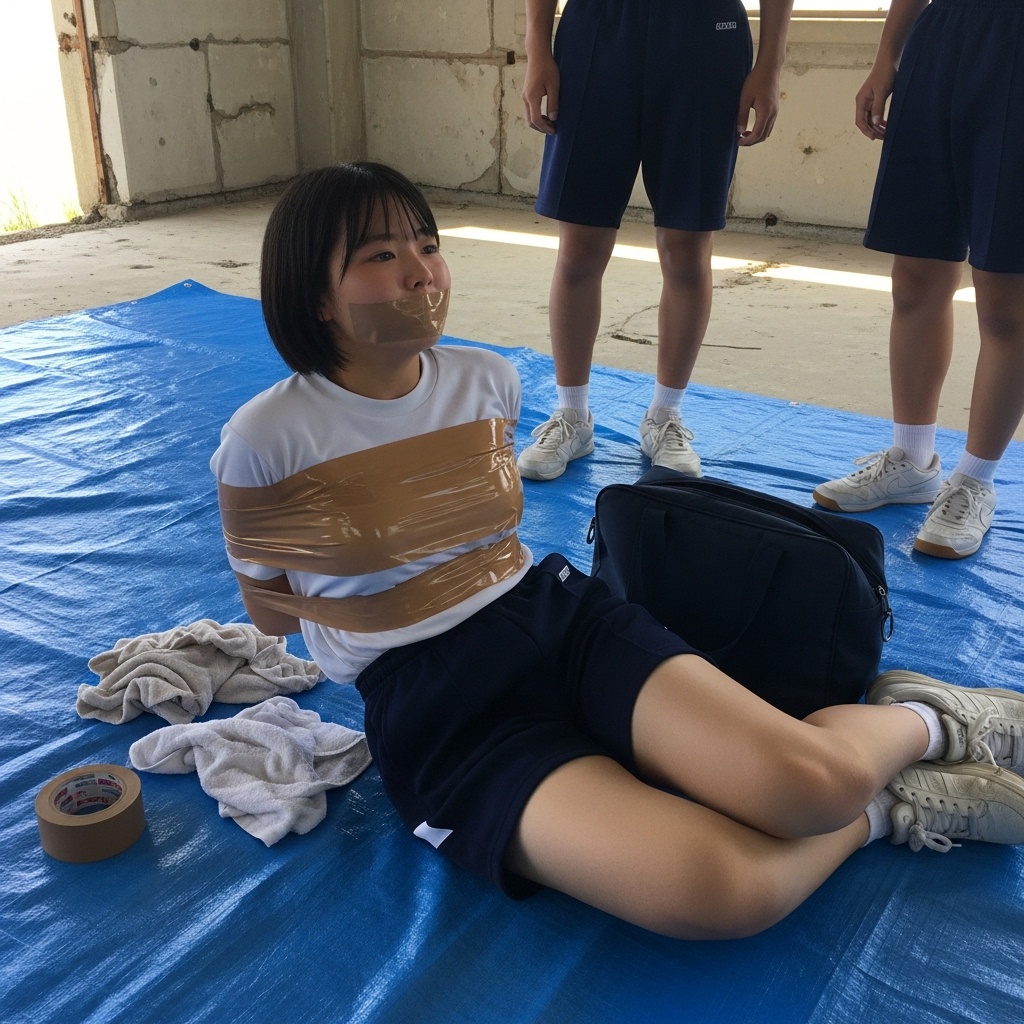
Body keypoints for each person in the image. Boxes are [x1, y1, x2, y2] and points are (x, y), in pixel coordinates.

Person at [211, 162, 1024, 940]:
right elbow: (274, 616)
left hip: (553, 620)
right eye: (381, 256)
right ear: (313, 295)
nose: (421, 272)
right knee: (723, 892)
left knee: (817, 786)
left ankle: (933, 720)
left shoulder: (487, 381)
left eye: (427, 244)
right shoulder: (265, 439)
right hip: (436, 705)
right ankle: (892, 810)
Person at [516, 0, 794, 481]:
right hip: (597, 33)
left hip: (705, 33)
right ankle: (572, 415)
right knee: (580, 250)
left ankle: (665, 415)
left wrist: (770, 64)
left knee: (686, 253)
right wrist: (537, 47)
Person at [813, 0, 1024, 559]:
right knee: (914, 276)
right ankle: (911, 460)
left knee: (1005, 297)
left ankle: (975, 480)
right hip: (941, 40)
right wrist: (887, 57)